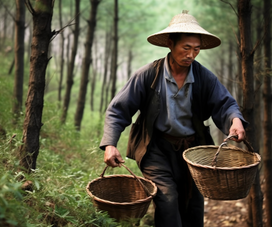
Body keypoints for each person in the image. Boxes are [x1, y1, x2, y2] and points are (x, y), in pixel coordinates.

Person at [99, 10, 247, 227]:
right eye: (186, 47)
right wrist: (110, 144)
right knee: (167, 199)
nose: (191, 54)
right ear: (170, 43)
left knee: (194, 205)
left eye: (196, 49)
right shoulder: (148, 75)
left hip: (193, 150)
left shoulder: (204, 77)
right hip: (155, 148)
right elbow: (118, 109)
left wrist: (235, 120)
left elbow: (225, 104)